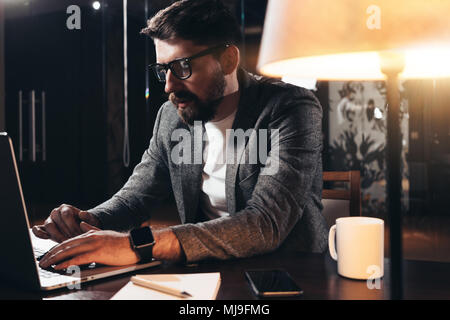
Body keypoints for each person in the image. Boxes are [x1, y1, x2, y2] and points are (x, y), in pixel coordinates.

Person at [34, 0, 327, 271]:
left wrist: (140, 244)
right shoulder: (171, 117)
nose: (168, 86)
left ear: (227, 60)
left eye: (182, 67)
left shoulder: (290, 108)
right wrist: (85, 222)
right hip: (207, 270)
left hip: (290, 273)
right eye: (163, 70)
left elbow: (265, 223)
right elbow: (135, 197)